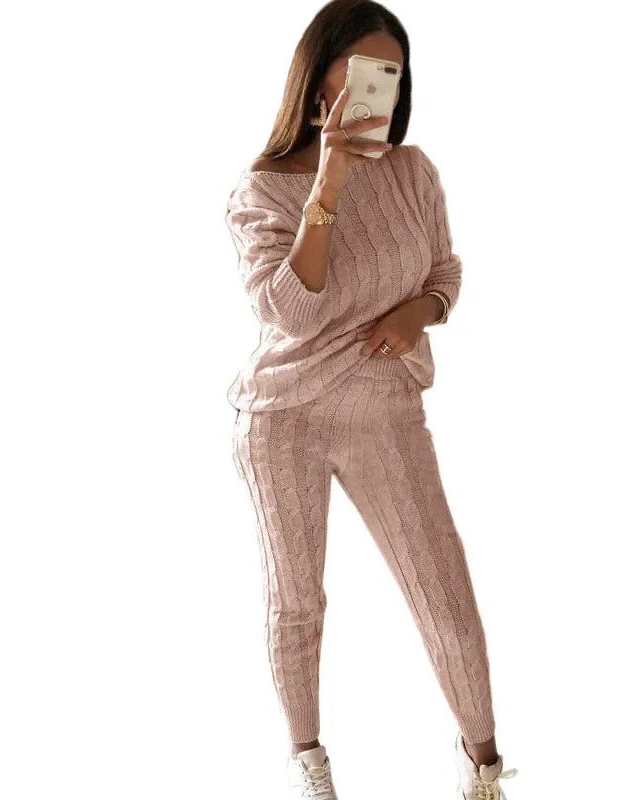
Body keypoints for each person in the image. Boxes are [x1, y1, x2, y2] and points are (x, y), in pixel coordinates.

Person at [225, 2, 517, 797]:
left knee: (443, 591)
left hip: (386, 412)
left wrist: (420, 311)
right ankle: (310, 765)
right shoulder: (262, 190)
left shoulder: (414, 171)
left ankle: (484, 765)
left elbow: (445, 270)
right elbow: (292, 311)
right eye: (359, 67)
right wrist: (328, 181)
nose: (376, 85)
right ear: (317, 75)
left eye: (391, 71)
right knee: (298, 601)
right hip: (283, 418)